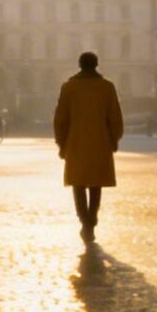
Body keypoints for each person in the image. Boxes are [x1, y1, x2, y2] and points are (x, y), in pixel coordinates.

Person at [54, 51, 124, 241]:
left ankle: (84, 219)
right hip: (100, 141)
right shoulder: (106, 87)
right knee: (96, 183)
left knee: (78, 183)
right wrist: (114, 139)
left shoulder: (69, 87)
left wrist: (61, 142)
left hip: (75, 141)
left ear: (80, 64)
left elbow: (61, 118)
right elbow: (115, 117)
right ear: (96, 65)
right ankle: (91, 219)